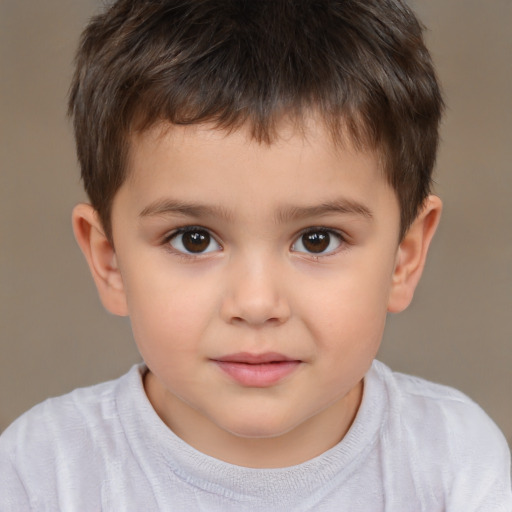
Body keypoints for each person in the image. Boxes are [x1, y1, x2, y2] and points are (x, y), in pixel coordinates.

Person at [1, 0, 510, 509]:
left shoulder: (453, 462)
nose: (257, 302)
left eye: (318, 239)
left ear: (404, 256)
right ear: (109, 260)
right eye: (193, 239)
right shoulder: (43, 473)